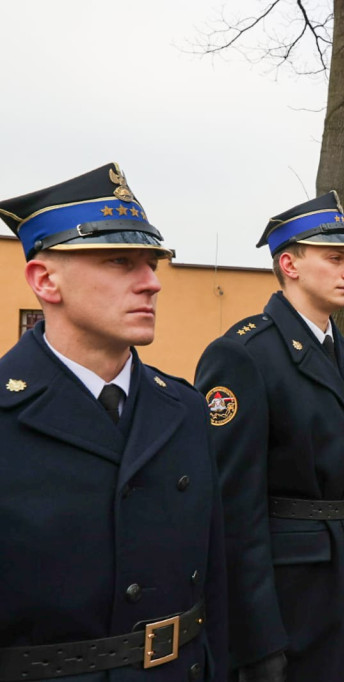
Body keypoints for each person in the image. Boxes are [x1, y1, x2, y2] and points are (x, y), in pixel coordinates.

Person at [0, 163, 228, 680]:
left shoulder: (186, 409)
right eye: (121, 261)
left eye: (152, 263)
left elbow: (216, 582)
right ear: (44, 280)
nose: (151, 284)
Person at [194, 192, 344, 682]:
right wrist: (254, 638)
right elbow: (231, 509)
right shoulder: (245, 355)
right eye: (336, 258)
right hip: (289, 593)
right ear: (289, 264)